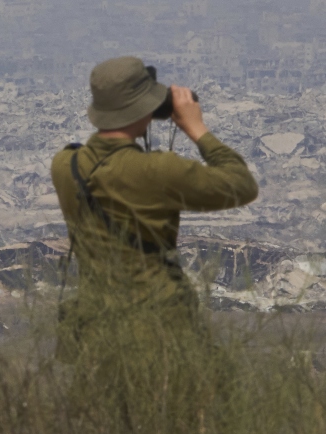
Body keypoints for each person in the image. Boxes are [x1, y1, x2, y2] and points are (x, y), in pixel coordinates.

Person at [51, 56, 258, 359]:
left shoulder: (65, 165)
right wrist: (197, 128)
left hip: (96, 338)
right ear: (144, 109)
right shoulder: (156, 171)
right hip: (160, 335)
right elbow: (241, 185)